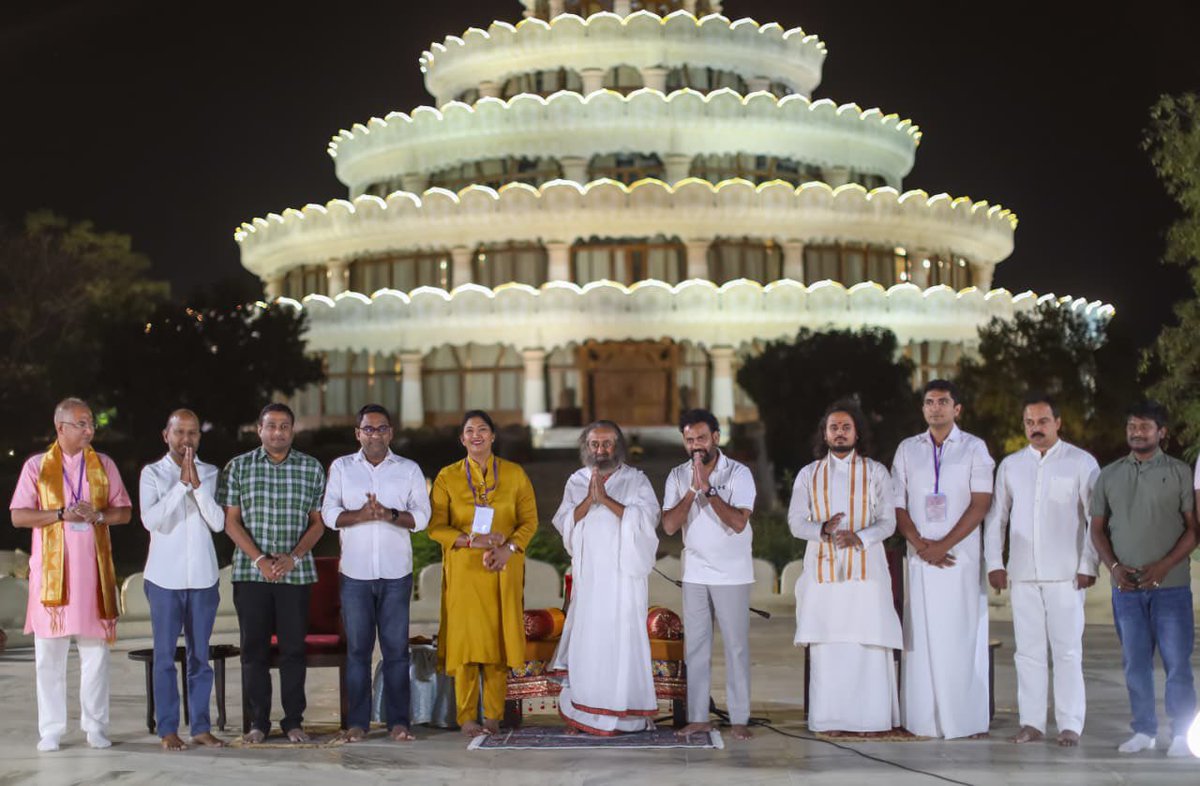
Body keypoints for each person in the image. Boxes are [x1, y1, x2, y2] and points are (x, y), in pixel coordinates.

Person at [9, 398, 132, 752]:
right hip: (52, 576)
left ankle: (95, 727)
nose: (89, 430)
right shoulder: (36, 466)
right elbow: (19, 516)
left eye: (91, 423)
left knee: (96, 655)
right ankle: (51, 729)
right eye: (81, 424)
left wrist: (98, 515)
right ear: (60, 427)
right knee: (49, 656)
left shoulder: (103, 464)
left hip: (92, 573)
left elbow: (123, 513)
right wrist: (61, 514)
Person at [983, 394, 1099, 747]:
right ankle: (1031, 723)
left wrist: (1087, 563)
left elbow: (1095, 518)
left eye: (1043, 421)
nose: (1036, 428)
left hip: (1066, 574)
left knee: (1066, 651)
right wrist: (995, 563)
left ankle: (1070, 725)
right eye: (1030, 422)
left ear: (1058, 422)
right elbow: (996, 517)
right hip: (1023, 574)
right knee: (1028, 652)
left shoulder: (1081, 462)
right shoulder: (1012, 465)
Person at [1090, 400, 1197, 757]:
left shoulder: (1182, 473)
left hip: (1171, 588)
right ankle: (1144, 731)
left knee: (1177, 664)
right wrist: (1114, 568)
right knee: (1135, 664)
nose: (1137, 432)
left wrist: (1164, 566)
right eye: (1132, 426)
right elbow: (1097, 530)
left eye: (1145, 427)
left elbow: (1194, 531)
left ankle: (1181, 735)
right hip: (1127, 590)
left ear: (1161, 432)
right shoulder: (1109, 475)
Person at [788, 400, 902, 735]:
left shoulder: (876, 471)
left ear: (857, 432)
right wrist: (821, 529)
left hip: (866, 573)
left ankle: (872, 720)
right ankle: (831, 720)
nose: (840, 433)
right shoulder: (809, 474)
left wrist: (860, 538)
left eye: (846, 427)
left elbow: (888, 522)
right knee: (829, 643)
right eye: (834, 427)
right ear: (824, 434)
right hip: (824, 574)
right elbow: (795, 522)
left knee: (867, 641)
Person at [891, 379, 994, 739]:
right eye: (930, 402)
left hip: (959, 560)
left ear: (957, 409)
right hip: (920, 559)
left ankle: (961, 720)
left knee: (958, 635)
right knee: (920, 636)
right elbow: (897, 504)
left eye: (943, 401)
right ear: (923, 409)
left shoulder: (974, 448)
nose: (936, 407)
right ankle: (922, 720)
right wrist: (920, 544)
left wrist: (943, 544)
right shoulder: (908, 449)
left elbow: (981, 503)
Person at [322, 404, 431, 743]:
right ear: (358, 433)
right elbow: (329, 513)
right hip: (354, 575)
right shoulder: (341, 467)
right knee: (358, 651)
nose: (374, 434)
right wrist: (360, 515)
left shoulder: (409, 469)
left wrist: (389, 514)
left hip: (396, 575)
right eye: (368, 429)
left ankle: (399, 723)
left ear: (391, 433)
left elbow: (421, 518)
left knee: (396, 650)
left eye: (381, 428)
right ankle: (358, 723)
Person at [218, 403, 326, 744]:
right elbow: (230, 521)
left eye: (284, 426)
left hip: (295, 576)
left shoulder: (310, 468)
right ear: (259, 429)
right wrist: (260, 560)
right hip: (252, 576)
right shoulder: (238, 467)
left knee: (294, 650)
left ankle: (293, 721)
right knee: (254, 652)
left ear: (292, 430)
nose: (278, 432)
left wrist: (293, 557)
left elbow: (318, 523)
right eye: (271, 426)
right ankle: (258, 723)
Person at [427, 410, 538, 737]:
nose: (476, 435)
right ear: (462, 439)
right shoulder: (447, 477)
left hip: (502, 569)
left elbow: (529, 522)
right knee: (466, 646)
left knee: (497, 644)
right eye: (469, 431)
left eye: (483, 429)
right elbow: (436, 527)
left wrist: (509, 549)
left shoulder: (515, 474)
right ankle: (466, 718)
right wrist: (470, 540)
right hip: (465, 571)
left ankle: (492, 716)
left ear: (493, 436)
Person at [550, 421, 660, 735]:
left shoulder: (636, 480)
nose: (601, 450)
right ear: (587, 447)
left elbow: (647, 520)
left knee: (622, 641)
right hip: (591, 579)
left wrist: (607, 501)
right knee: (591, 642)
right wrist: (589, 500)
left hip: (624, 581)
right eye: (595, 444)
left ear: (618, 446)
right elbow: (564, 522)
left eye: (607, 444)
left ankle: (626, 715)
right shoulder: (576, 481)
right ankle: (586, 714)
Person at [661, 408, 756, 741]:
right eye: (689, 440)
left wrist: (710, 492)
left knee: (736, 648)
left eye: (702, 438)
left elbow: (739, 522)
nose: (696, 445)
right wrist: (692, 490)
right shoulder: (677, 476)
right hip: (696, 574)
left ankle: (741, 718)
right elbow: (670, 525)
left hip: (732, 574)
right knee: (696, 648)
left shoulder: (739, 473)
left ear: (716, 437)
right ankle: (698, 717)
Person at [139, 409, 227, 751]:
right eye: (179, 433)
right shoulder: (152, 474)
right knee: (164, 657)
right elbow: (152, 521)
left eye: (192, 433)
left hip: (203, 577)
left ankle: (201, 727)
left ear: (198, 437)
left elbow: (218, 523)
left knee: (199, 657)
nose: (186, 439)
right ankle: (168, 730)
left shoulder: (210, 472)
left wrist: (198, 486)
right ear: (166, 435)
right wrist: (180, 486)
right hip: (164, 578)